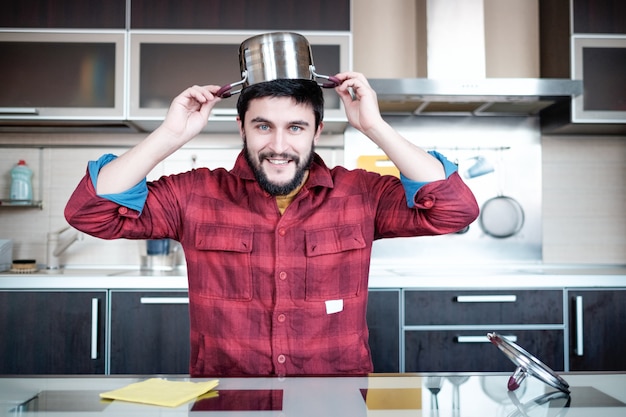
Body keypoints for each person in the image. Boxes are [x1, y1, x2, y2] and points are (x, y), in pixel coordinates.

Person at [65, 71, 479, 377]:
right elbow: (90, 211)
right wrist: (171, 134)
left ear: (317, 131)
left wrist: (374, 126)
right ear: (241, 128)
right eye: (263, 126)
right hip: (226, 401)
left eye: (295, 128)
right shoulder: (194, 194)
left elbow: (454, 210)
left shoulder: (361, 194)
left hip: (333, 402)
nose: (278, 147)